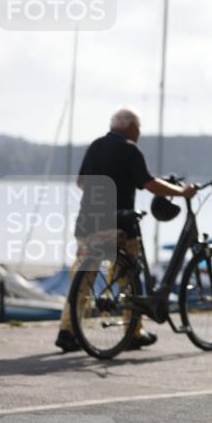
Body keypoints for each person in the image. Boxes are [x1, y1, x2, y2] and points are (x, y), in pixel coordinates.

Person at [55, 108, 198, 352]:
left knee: (82, 278)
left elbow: (81, 183)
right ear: (132, 128)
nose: (139, 133)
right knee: (127, 279)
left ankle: (68, 332)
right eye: (139, 128)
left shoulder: (95, 146)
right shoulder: (130, 149)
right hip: (120, 224)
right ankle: (134, 332)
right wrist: (182, 192)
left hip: (89, 222)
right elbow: (150, 184)